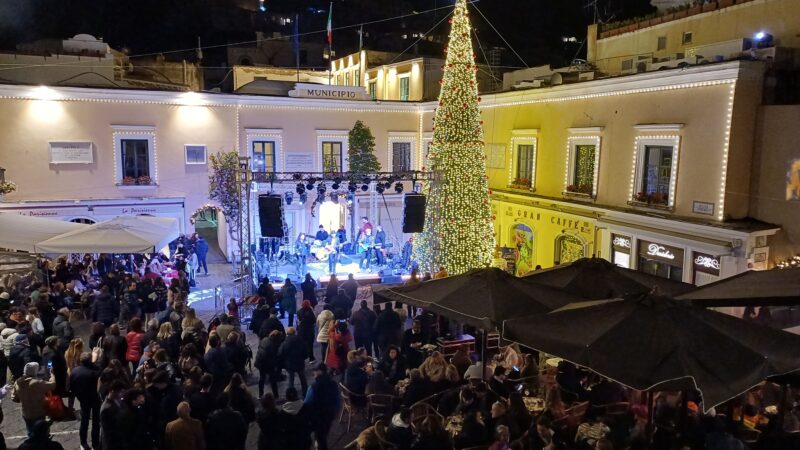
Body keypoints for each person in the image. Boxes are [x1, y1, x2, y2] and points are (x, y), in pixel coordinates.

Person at [304, 363, 342, 450]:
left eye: (315, 371)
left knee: (320, 437)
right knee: (324, 433)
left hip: (317, 417)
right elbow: (338, 400)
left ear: (320, 372)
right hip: (329, 414)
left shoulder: (313, 387)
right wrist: (335, 413)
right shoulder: (333, 384)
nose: (313, 373)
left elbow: (307, 402)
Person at [69, 353, 102, 449]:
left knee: (84, 421)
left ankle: (83, 442)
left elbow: (71, 387)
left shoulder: (74, 371)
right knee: (96, 422)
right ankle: (95, 443)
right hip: (94, 399)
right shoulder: (94, 371)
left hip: (82, 399)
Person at [14, 362, 55, 435]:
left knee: (30, 432)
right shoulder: (36, 383)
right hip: (38, 413)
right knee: (42, 432)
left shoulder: (17, 382)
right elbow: (52, 385)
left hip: (26, 413)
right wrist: (52, 374)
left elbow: (14, 398)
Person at [279, 327, 308, 395]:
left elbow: (280, 353)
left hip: (290, 363)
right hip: (299, 362)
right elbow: (305, 351)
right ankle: (305, 392)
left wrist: (285, 360)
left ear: (287, 333)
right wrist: (303, 358)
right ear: (294, 332)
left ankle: (290, 394)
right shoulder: (300, 339)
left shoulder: (285, 341)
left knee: (291, 379)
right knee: (302, 378)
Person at [255, 330, 282, 398]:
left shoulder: (264, 339)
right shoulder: (273, 344)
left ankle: (260, 394)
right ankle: (276, 396)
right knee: (273, 380)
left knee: (262, 378)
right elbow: (274, 356)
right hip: (268, 364)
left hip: (259, 361)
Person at [100, 381, 126, 450]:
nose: (121, 394)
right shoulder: (106, 408)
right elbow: (108, 430)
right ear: (112, 391)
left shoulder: (115, 400)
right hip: (112, 443)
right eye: (119, 392)